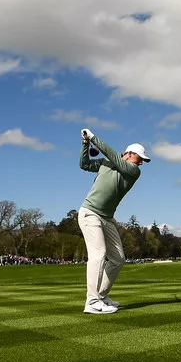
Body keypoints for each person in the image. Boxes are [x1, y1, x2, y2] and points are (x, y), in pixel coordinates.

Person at [77, 128, 150, 314]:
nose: (141, 163)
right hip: (90, 213)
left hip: (107, 218)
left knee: (118, 258)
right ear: (130, 154)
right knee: (99, 254)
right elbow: (84, 165)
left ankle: (101, 295)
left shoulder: (132, 171)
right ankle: (92, 302)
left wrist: (93, 138)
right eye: (139, 158)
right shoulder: (107, 162)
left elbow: (114, 157)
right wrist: (85, 144)